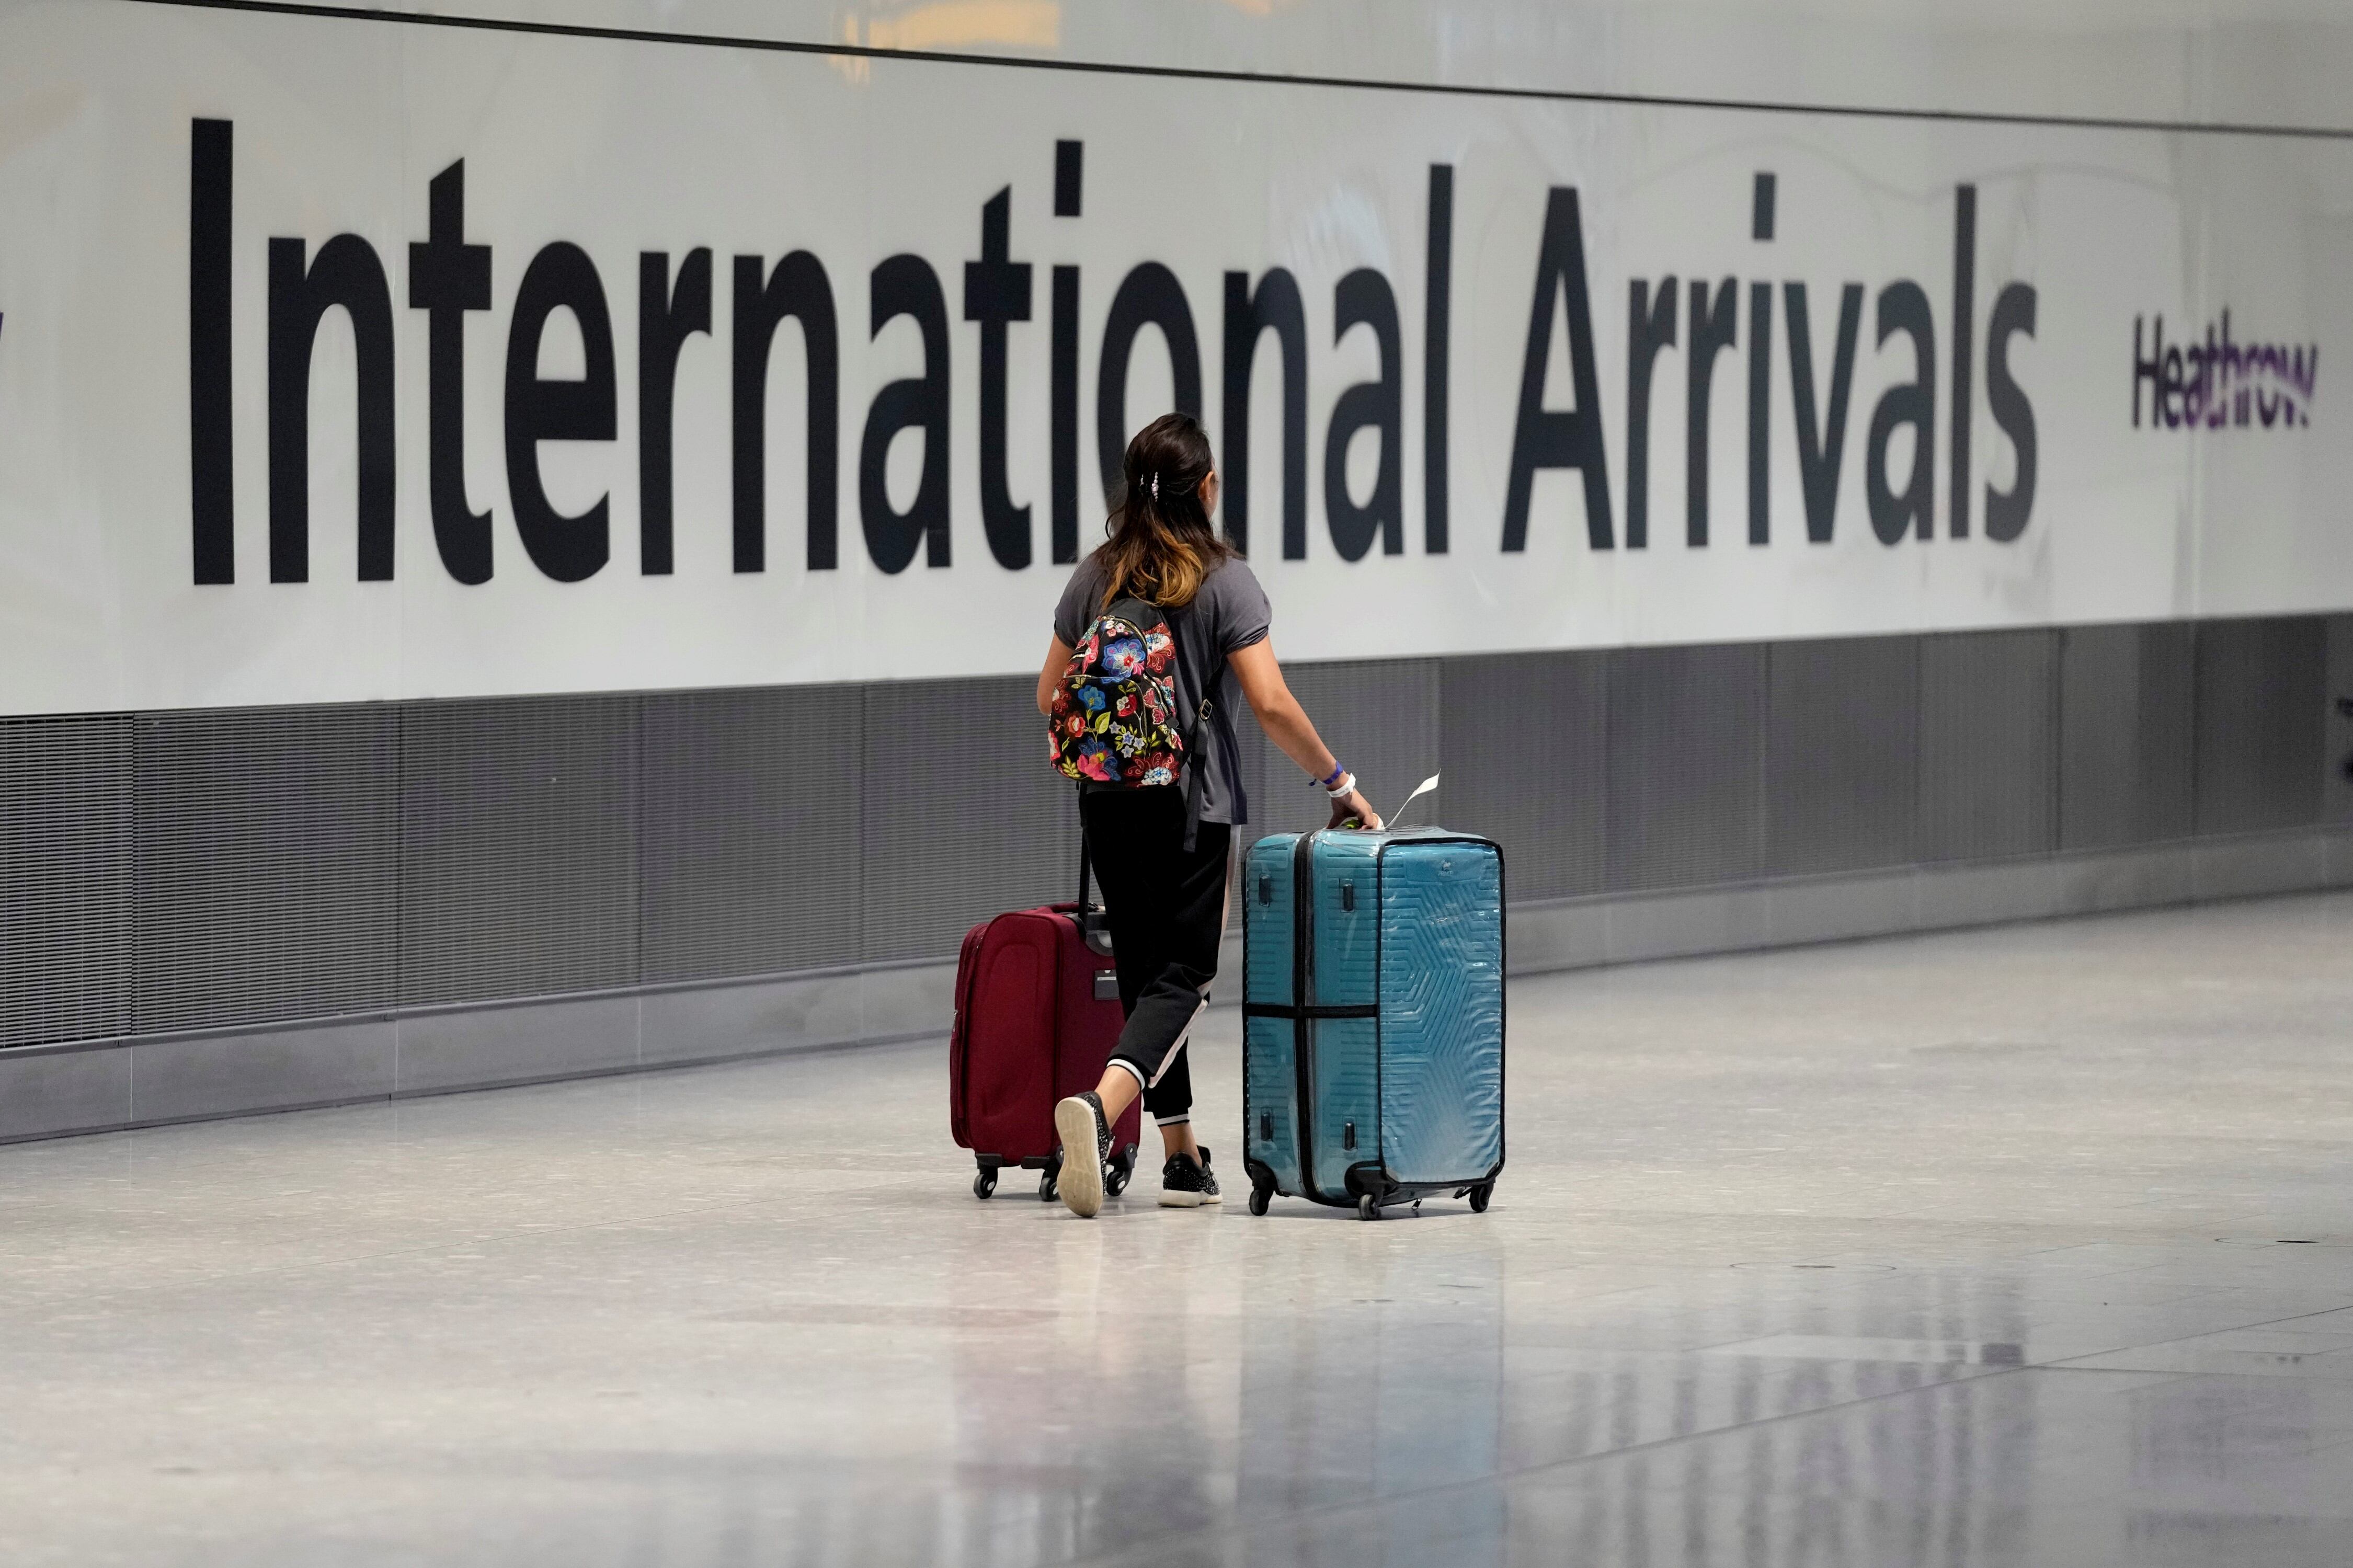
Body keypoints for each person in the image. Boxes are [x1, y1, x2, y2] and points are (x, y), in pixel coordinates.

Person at [1037, 412, 1382, 1219]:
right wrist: (1338, 782)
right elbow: (1270, 703)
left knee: (1146, 976)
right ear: (1209, 488)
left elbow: (1048, 696)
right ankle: (1095, 1109)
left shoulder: (1094, 578)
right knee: (1186, 979)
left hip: (1105, 801)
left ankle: (1182, 1158)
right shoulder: (1224, 579)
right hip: (1191, 807)